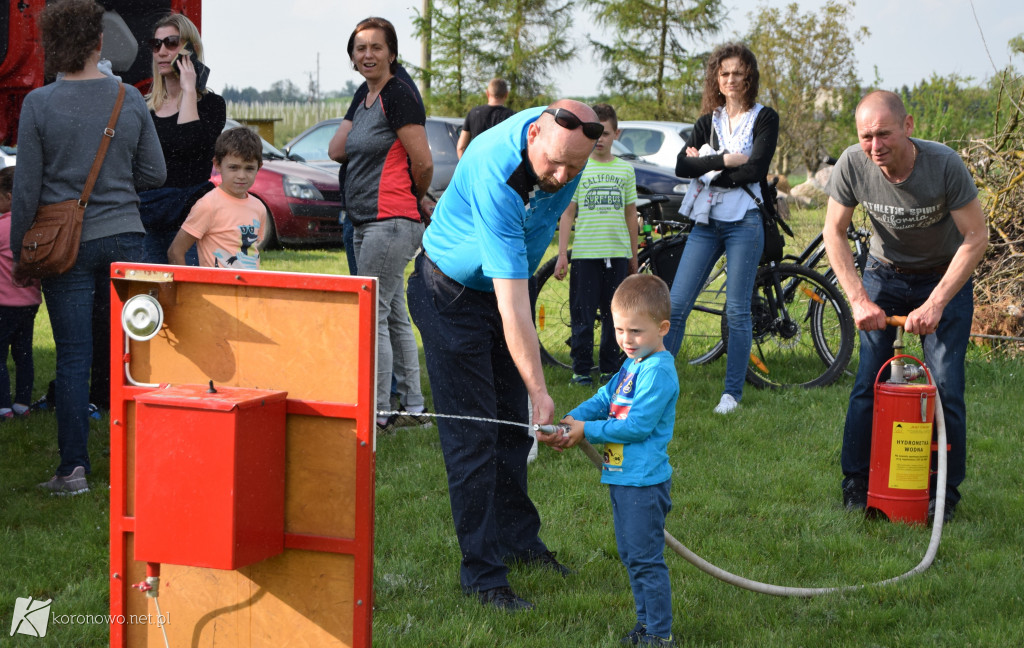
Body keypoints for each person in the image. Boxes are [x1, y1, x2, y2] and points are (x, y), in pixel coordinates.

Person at [407, 99, 601, 611]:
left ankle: (519, 543)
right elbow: (514, 303)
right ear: (534, 132)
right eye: (554, 163)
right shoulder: (498, 168)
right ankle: (484, 576)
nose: (562, 176)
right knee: (474, 435)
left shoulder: (570, 152)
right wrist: (540, 388)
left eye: (574, 167)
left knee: (513, 428)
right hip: (448, 293)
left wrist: (528, 395)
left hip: (498, 291)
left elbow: (517, 289)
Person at [11, 0, 165, 494]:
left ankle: (73, 470)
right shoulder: (128, 97)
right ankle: (144, 463)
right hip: (127, 238)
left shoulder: (38, 104)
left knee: (75, 358)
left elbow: (26, 191)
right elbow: (155, 173)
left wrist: (20, 255)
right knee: (136, 353)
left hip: (64, 248)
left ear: (53, 46)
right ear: (100, 43)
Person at [823, 90, 987, 522]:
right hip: (884, 274)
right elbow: (833, 233)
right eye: (866, 136)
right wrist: (859, 298)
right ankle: (856, 485)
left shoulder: (944, 165)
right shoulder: (852, 165)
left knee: (947, 385)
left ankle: (943, 494)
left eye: (883, 134)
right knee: (867, 383)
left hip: (942, 276)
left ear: (909, 126)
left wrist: (936, 303)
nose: (875, 146)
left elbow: (976, 237)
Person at [553, 273, 679, 647]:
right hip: (623, 479)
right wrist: (571, 419)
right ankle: (646, 625)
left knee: (645, 560)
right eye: (620, 329)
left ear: (663, 328)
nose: (625, 340)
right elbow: (604, 400)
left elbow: (637, 426)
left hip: (644, 484)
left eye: (636, 331)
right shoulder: (633, 364)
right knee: (631, 556)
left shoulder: (657, 370)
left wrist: (587, 431)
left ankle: (659, 634)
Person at [327, 17, 433, 432]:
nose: (367, 54)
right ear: (352, 57)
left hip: (390, 220)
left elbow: (423, 163)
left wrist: (412, 193)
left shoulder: (399, 96)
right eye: (360, 49)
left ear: (392, 52)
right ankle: (413, 407)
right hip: (368, 219)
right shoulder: (366, 94)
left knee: (373, 313)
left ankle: (380, 410)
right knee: (392, 315)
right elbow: (338, 149)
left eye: (375, 47)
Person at [665, 42, 779, 415]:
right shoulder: (706, 122)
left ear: (750, 77)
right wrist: (726, 159)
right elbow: (682, 168)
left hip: (745, 221)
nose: (731, 80)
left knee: (736, 310)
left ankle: (731, 395)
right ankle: (656, 386)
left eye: (738, 73)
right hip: (707, 222)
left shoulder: (765, 118)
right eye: (724, 73)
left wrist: (709, 168)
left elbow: (757, 169)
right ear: (716, 78)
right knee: (676, 304)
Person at [553, 103, 638, 386]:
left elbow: (630, 215)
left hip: (617, 256)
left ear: (616, 133)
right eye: (596, 133)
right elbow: (567, 212)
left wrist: (633, 256)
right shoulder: (580, 168)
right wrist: (562, 253)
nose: (600, 139)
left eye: (606, 133)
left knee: (616, 317)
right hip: (586, 256)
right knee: (583, 314)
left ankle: (610, 369)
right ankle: (581, 368)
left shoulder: (626, 171)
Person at [139, 13, 225, 265]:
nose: (162, 51)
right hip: (149, 216)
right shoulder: (145, 107)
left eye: (171, 43)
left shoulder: (212, 105)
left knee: (188, 298)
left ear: (191, 50)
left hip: (191, 221)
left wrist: (189, 89)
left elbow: (190, 145)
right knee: (150, 296)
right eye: (156, 45)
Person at [168, 127, 263, 268]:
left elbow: (253, 251)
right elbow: (175, 251)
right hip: (214, 290)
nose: (241, 175)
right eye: (233, 167)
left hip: (249, 289)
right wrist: (186, 288)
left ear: (259, 167)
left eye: (249, 168)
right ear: (217, 165)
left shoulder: (259, 208)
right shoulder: (208, 205)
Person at [0, 166, 41, 420]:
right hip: (30, 302)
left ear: (9, 197)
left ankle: (3, 406)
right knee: (24, 354)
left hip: (4, 304)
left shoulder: (4, 226)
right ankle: (22, 403)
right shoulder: (35, 226)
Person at [456, 78, 514, 159]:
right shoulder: (512, 116)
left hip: (478, 167)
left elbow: (461, 147)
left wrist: (467, 169)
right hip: (501, 169)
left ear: (487, 93)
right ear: (506, 94)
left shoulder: (473, 113)